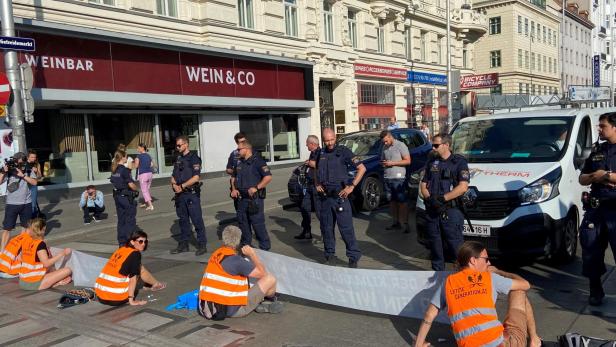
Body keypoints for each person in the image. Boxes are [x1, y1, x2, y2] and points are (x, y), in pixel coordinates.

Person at [414, 241, 542, 347]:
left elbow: (429, 315)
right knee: (519, 291)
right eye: (486, 259)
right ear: (473, 260)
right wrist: (499, 271)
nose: (489, 263)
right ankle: (534, 340)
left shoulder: (448, 282)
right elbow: (525, 284)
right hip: (502, 344)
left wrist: (419, 344)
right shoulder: (489, 277)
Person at [198, 225, 282, 319]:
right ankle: (268, 301)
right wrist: (252, 254)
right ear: (238, 241)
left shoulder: (217, 254)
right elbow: (262, 273)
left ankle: (261, 301)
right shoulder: (236, 261)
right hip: (232, 310)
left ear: (223, 239)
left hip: (208, 307)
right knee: (270, 279)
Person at [578, 112, 616, 306]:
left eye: (603, 126)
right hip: (596, 209)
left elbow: (607, 176)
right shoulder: (597, 150)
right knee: (591, 251)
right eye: (599, 126)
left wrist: (607, 176)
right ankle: (595, 290)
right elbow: (582, 178)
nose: (599, 129)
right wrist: (596, 176)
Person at [315, 128, 366, 268]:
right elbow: (315, 169)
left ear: (335, 137)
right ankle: (330, 255)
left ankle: (353, 257)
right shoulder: (321, 153)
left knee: (346, 229)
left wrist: (352, 186)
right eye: (327, 140)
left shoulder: (344, 152)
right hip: (325, 198)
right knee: (326, 228)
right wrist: (317, 183)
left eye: (332, 140)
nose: (330, 143)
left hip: (340, 197)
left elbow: (362, 168)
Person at [420, 134, 470, 271]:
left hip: (450, 211)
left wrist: (443, 199)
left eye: (436, 145)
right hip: (433, 210)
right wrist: (430, 199)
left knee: (456, 247)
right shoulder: (431, 162)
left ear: (446, 145)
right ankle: (437, 279)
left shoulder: (459, 162)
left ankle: (463, 277)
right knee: (435, 247)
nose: (433, 148)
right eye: (433, 145)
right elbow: (423, 185)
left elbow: (463, 187)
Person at [95, 230, 166, 306]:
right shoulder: (135, 254)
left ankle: (153, 284)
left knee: (138, 267)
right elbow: (133, 279)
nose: (143, 244)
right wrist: (132, 300)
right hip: (117, 298)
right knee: (139, 270)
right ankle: (155, 284)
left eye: (145, 241)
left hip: (101, 297)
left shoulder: (121, 250)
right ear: (132, 242)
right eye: (140, 241)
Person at [230, 140, 272, 250]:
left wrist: (256, 187)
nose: (237, 151)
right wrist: (234, 189)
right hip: (242, 199)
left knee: (257, 224)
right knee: (243, 224)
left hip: (254, 199)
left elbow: (268, 177)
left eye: (239, 149)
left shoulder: (258, 161)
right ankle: (246, 249)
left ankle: (265, 249)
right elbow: (233, 177)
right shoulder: (239, 162)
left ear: (247, 149)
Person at [170, 135, 207, 256]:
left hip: (191, 194)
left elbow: (196, 177)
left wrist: (182, 186)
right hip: (180, 195)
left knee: (196, 220)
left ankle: (202, 244)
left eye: (179, 145)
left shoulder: (194, 158)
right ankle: (183, 244)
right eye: (176, 145)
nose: (177, 147)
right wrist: (174, 184)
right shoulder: (178, 158)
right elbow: (173, 175)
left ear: (186, 144)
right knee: (183, 221)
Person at [19, 218, 73, 291]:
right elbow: (46, 264)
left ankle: (54, 281)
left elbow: (23, 258)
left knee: (52, 269)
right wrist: (63, 253)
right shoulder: (40, 244)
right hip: (34, 283)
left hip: (23, 281)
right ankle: (56, 283)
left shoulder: (26, 240)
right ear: (43, 229)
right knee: (68, 270)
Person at [0, 152, 38, 251]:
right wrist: (3, 172)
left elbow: (34, 182)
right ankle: (2, 252)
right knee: (7, 228)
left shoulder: (29, 170)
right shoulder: (9, 171)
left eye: (19, 162)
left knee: (25, 228)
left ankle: (20, 248)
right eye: (16, 162)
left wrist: (23, 176)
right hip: (11, 203)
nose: (17, 164)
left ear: (24, 162)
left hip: (26, 203)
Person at [380, 130, 411, 233]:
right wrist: (383, 163)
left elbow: (408, 160)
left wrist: (392, 163)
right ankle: (396, 222)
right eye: (383, 142)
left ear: (390, 137)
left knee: (402, 201)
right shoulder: (384, 147)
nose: (385, 143)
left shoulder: (400, 145)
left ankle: (405, 224)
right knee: (392, 201)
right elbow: (383, 160)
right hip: (387, 178)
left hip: (399, 178)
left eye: (386, 141)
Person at [294, 135, 321, 240]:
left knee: (319, 211)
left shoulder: (321, 152)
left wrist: (311, 163)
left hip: (317, 186)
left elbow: (321, 164)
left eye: (307, 143)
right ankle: (306, 232)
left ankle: (326, 234)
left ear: (312, 144)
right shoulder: (312, 153)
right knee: (305, 208)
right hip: (308, 185)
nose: (306, 145)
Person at [110, 150, 139, 246]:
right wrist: (136, 189)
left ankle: (121, 242)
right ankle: (129, 242)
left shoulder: (114, 169)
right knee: (130, 220)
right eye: (126, 156)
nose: (127, 158)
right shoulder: (124, 170)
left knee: (121, 220)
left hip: (117, 197)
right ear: (123, 158)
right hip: (125, 197)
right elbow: (131, 184)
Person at [227, 132, 247, 211]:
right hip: (237, 185)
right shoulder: (234, 154)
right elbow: (228, 169)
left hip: (249, 185)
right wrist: (235, 171)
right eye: (240, 142)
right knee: (239, 209)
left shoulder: (253, 152)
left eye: (244, 141)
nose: (242, 144)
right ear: (237, 143)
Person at [134, 143, 154, 211]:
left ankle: (150, 205)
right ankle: (146, 203)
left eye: (138, 148)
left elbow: (136, 166)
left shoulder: (138, 156)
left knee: (144, 190)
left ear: (142, 148)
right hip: (150, 174)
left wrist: (132, 163)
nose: (137, 149)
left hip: (143, 175)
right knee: (147, 189)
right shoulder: (148, 155)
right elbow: (151, 165)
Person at [26, 150, 42, 219]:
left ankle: (33, 220)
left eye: (35, 157)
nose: (34, 159)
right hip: (25, 186)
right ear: (28, 157)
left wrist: (37, 171)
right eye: (32, 157)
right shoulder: (24, 164)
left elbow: (40, 177)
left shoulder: (37, 164)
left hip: (33, 186)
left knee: (33, 204)